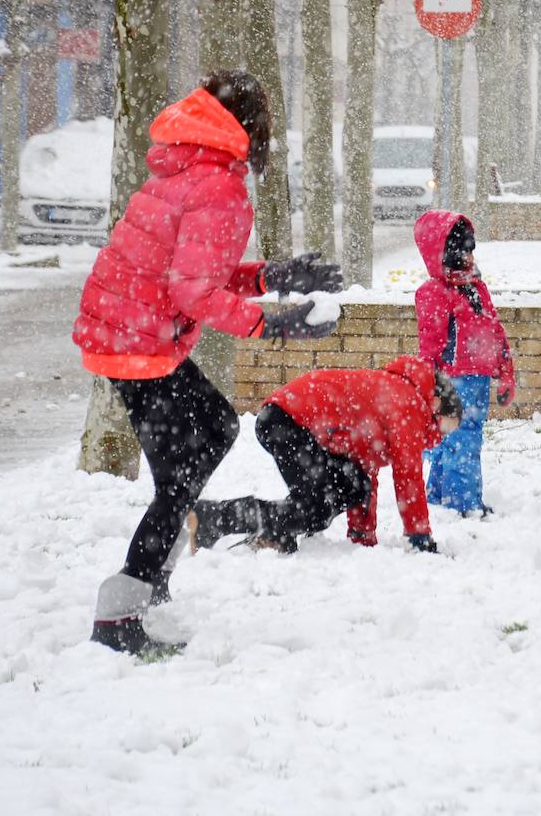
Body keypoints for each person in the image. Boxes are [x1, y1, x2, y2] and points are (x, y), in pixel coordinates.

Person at [73, 70, 343, 655]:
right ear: (250, 129)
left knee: (216, 428)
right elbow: (192, 292)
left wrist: (273, 277)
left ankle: (153, 578)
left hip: (131, 332)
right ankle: (118, 616)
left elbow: (196, 272)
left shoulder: (192, 168)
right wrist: (275, 323)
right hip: (137, 341)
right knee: (178, 480)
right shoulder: (216, 185)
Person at [189, 357, 463, 554]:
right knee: (317, 507)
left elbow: (362, 470)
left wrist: (362, 535)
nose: (436, 439)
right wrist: (420, 537)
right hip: (289, 422)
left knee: (351, 484)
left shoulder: (399, 392)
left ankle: (274, 533)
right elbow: (408, 476)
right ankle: (213, 517)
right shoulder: (410, 404)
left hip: (287, 419)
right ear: (436, 404)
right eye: (442, 430)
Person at [412, 211, 516, 518]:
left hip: (479, 378)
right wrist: (429, 385)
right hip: (453, 379)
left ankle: (439, 497)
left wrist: (505, 372)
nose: (468, 257)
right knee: (462, 440)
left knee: (451, 440)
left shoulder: (476, 287)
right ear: (441, 254)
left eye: (470, 250)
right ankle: (463, 504)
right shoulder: (434, 293)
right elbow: (429, 345)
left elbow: (494, 330)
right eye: (460, 251)